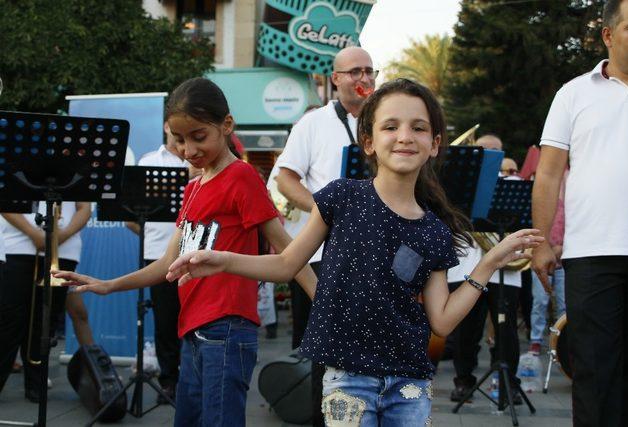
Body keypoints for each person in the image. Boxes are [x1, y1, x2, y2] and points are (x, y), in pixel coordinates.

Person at [164, 79, 542, 426]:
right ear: (369, 141)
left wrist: (490, 261)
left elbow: (441, 322)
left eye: (419, 127)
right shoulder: (341, 197)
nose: (405, 137)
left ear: (435, 143)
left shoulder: (435, 231)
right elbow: (286, 264)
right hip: (348, 379)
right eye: (390, 126)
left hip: (410, 384)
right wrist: (224, 259)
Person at [53, 77, 317, 427]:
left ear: (226, 126)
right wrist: (107, 285)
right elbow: (167, 264)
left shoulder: (241, 176)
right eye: (179, 139)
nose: (188, 150)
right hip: (192, 330)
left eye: (198, 137)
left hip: (226, 329)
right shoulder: (193, 186)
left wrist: (324, 301)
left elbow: (288, 251)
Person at [532, 1, 628, 425]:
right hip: (591, 254)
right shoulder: (573, 93)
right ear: (608, 36)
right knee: (594, 371)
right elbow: (548, 173)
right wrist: (541, 241)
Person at [275, 46, 376, 425]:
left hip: (373, 255)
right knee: (323, 352)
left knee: (368, 347)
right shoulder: (313, 123)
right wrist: (324, 211)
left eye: (369, 71)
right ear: (335, 80)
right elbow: (285, 179)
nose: (364, 78)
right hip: (321, 255)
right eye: (354, 72)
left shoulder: (384, 122)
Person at [446, 135, 525, 404]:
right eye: (484, 149)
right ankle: (463, 382)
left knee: (506, 329)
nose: (490, 154)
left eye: (495, 151)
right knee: (466, 330)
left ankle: (508, 384)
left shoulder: (513, 186)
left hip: (507, 271)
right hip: (466, 266)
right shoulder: (460, 188)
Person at [0, 201, 91, 402]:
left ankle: (35, 382)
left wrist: (57, 238)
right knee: (9, 320)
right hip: (17, 245)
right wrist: (34, 234)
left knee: (45, 322)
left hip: (63, 249)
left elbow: (84, 208)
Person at [125, 121, 188, 404]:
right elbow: (132, 216)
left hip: (195, 253)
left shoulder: (200, 160)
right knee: (165, 321)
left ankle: (192, 379)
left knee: (195, 320)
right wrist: (150, 234)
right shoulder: (149, 161)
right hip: (157, 254)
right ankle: (169, 381)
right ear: (165, 126)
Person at [529, 171, 566, 356]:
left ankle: (562, 342)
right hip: (543, 253)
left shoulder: (569, 186)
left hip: (564, 255)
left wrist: (562, 247)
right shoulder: (539, 192)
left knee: (563, 303)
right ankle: (536, 339)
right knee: (540, 301)